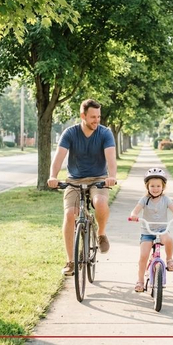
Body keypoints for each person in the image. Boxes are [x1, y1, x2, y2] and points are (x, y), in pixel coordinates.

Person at [47, 99, 117, 276]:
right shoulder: (70, 133)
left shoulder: (105, 133)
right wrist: (53, 176)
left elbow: (111, 158)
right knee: (70, 213)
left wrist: (112, 177)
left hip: (98, 178)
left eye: (99, 116)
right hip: (74, 180)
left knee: (100, 202)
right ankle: (71, 261)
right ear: (83, 116)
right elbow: (59, 158)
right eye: (93, 117)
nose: (97, 120)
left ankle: (101, 234)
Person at [129, 168, 173, 292]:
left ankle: (169, 259)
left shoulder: (166, 199)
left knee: (169, 239)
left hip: (162, 229)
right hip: (147, 231)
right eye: (152, 186)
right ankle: (140, 280)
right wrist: (134, 215)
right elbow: (136, 209)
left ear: (163, 187)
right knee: (143, 256)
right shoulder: (144, 199)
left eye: (158, 186)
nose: (155, 189)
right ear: (147, 187)